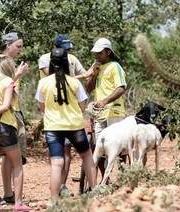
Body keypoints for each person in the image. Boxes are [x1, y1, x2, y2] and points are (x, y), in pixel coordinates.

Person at [35, 48, 96, 202]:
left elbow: (42, 107)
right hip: (74, 126)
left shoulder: (43, 82)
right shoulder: (75, 82)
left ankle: (54, 200)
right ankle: (95, 194)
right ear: (67, 63)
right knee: (87, 156)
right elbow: (83, 106)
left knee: (56, 163)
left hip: (53, 127)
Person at [0, 64, 30, 211]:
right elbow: (6, 105)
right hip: (5, 125)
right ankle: (18, 203)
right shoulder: (8, 81)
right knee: (17, 164)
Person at [0, 32, 29, 205]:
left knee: (9, 155)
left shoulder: (12, 62)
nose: (21, 50)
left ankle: (8, 192)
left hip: (14, 112)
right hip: (0, 113)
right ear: (8, 45)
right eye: (18, 46)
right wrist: (18, 75)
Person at [86, 37, 127, 165]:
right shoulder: (97, 67)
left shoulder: (115, 66)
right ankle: (106, 181)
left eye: (100, 53)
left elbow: (121, 88)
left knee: (118, 146)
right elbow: (89, 88)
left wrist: (105, 101)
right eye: (96, 53)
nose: (97, 56)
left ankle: (123, 175)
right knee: (100, 148)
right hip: (100, 114)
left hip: (113, 112)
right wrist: (93, 74)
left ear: (108, 52)